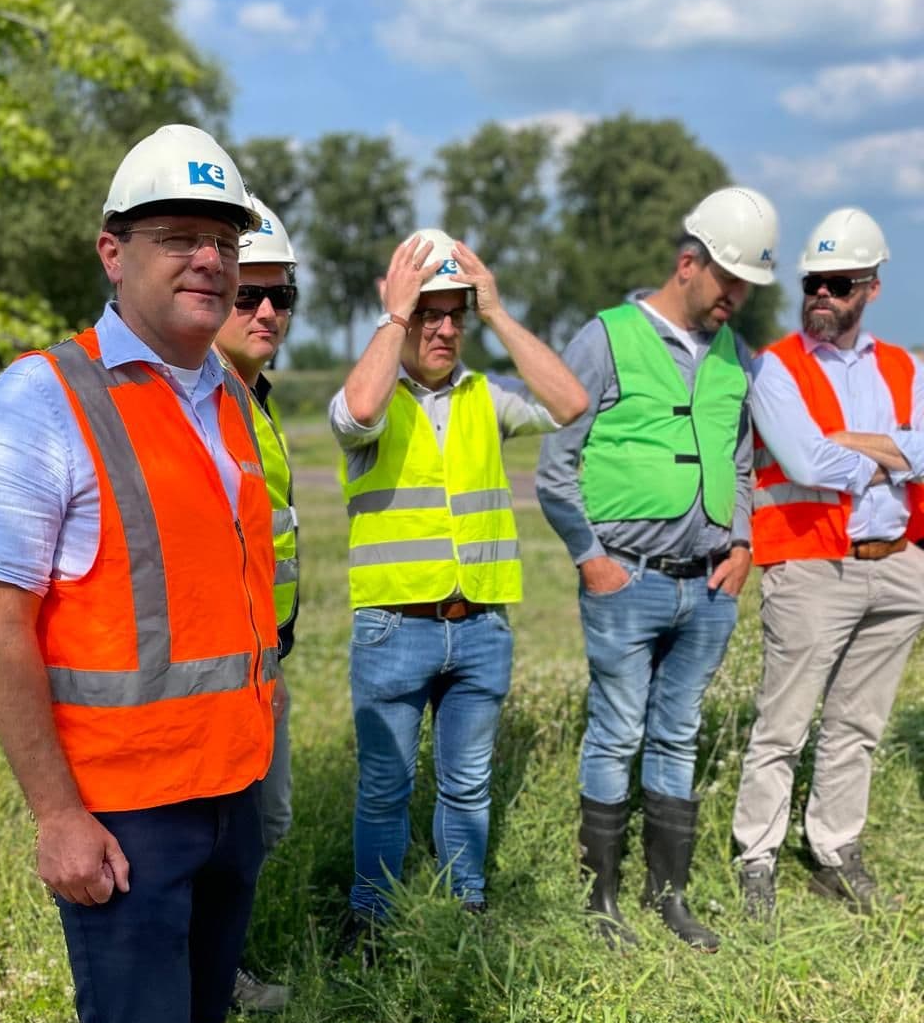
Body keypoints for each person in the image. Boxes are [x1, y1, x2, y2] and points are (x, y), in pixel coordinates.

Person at [0, 124, 279, 1023]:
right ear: (114, 252)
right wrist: (55, 813)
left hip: (228, 790)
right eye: (177, 239)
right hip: (122, 819)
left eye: (223, 240)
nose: (208, 261)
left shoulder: (231, 402)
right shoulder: (42, 399)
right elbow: (0, 625)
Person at [537, 187, 779, 952]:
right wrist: (591, 558)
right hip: (627, 579)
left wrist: (741, 542)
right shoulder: (606, 338)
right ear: (688, 265)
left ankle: (667, 896)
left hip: (708, 586)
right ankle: (600, 899)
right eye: (728, 284)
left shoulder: (734, 358)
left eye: (746, 289)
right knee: (614, 735)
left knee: (677, 735)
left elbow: (741, 461)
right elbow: (555, 467)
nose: (735, 301)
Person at [330, 228, 588, 945]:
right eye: (427, 313)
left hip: (479, 627)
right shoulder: (372, 398)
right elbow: (353, 416)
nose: (443, 329)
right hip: (393, 628)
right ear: (403, 315)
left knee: (467, 785)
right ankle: (372, 917)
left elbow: (570, 403)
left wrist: (500, 313)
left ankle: (466, 907)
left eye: (456, 314)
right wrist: (392, 314)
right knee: (386, 788)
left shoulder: (486, 396)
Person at [732, 208, 924, 917]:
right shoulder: (774, 367)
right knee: (782, 723)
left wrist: (854, 443)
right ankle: (757, 856)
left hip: (900, 565)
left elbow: (920, 454)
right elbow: (805, 459)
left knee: (859, 725)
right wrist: (889, 450)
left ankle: (834, 850)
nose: (822, 295)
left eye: (839, 284)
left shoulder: (907, 366)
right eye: (813, 281)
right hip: (811, 566)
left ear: (871, 288)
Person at [211, 195, 300, 1017]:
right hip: (218, 670)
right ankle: (208, 990)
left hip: (265, 657)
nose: (267, 310)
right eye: (250, 294)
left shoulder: (255, 395)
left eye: (281, 297)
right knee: (225, 842)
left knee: (262, 831)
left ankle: (218, 976)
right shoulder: (203, 400)